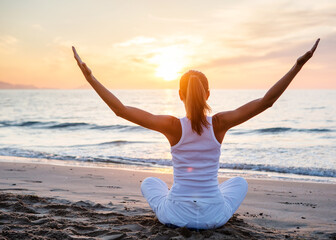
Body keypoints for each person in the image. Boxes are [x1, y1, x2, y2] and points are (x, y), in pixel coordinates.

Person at [72, 38, 320, 229]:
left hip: (175, 215)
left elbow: (121, 110)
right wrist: (297, 66)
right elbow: (266, 101)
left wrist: (91, 77)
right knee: (239, 183)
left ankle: (177, 198)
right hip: (215, 216)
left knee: (150, 182)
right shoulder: (220, 123)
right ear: (208, 94)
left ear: (180, 95)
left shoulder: (172, 126)